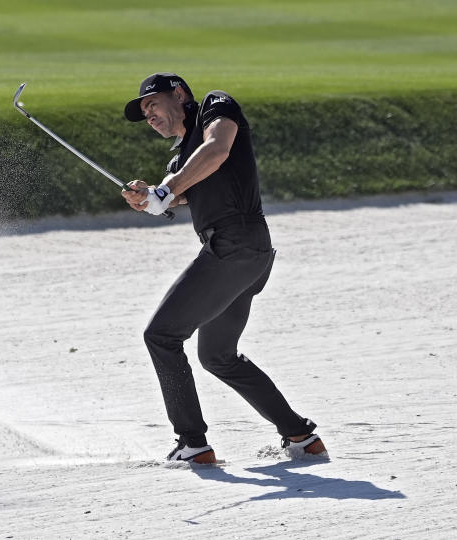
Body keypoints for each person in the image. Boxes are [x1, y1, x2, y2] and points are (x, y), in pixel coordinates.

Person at [120, 73, 327, 464]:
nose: (149, 115)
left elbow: (216, 151)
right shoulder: (179, 159)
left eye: (153, 104)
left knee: (161, 336)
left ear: (179, 95)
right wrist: (150, 197)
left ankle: (192, 443)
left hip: (235, 246)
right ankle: (301, 436)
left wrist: (167, 190)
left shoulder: (215, 109)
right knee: (218, 355)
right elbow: (176, 193)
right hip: (245, 254)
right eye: (144, 111)